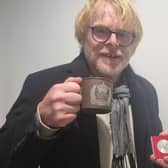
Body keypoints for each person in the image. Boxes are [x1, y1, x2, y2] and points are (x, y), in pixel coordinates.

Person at [0, 0, 168, 167]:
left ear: (134, 43)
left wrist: (163, 155)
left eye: (123, 34)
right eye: (101, 31)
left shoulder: (146, 91)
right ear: (83, 36)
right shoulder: (43, 83)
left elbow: (152, 152)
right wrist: (43, 123)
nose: (113, 42)